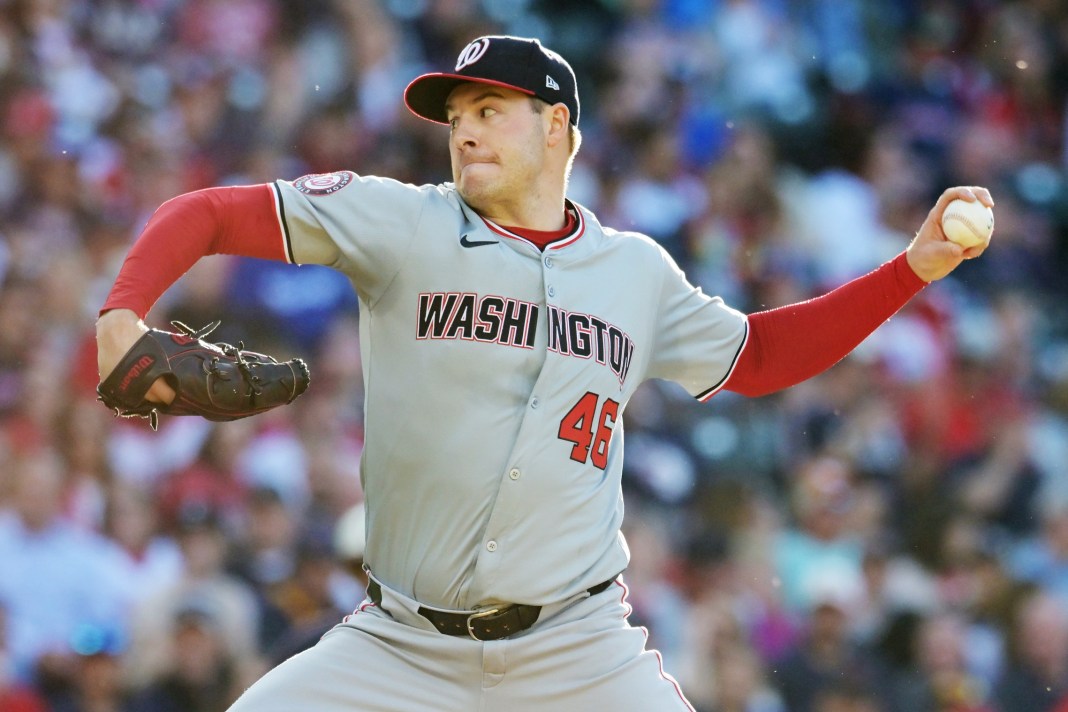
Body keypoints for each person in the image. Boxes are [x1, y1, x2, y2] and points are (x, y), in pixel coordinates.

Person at [95, 34, 993, 712]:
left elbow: (756, 357)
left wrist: (909, 269)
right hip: (399, 648)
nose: (465, 133)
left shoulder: (636, 273)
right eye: (456, 119)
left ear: (558, 125)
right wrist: (120, 314)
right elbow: (206, 212)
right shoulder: (402, 224)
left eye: (491, 111)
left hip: (580, 648)